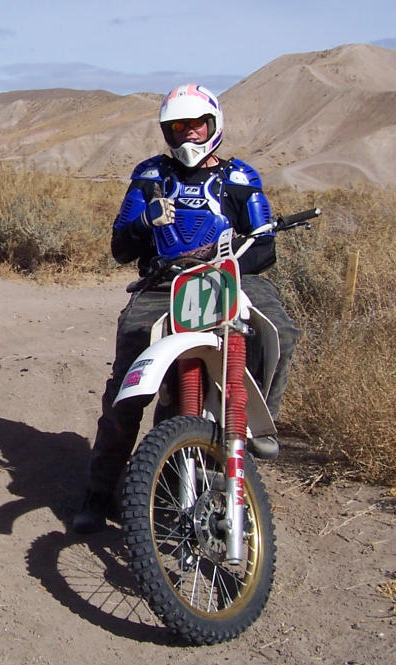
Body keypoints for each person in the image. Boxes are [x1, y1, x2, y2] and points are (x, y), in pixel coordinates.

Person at [73, 83, 299, 534]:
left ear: (213, 125)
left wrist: (225, 258)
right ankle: (99, 492)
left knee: (280, 330)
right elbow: (120, 248)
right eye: (177, 127)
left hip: (228, 276)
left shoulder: (239, 178)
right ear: (166, 132)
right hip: (164, 283)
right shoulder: (150, 176)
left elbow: (266, 246)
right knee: (127, 387)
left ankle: (258, 428)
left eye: (196, 124)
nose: (188, 134)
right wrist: (145, 221)